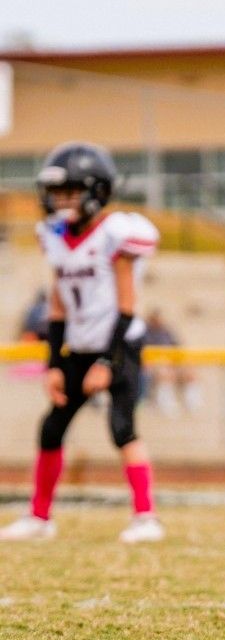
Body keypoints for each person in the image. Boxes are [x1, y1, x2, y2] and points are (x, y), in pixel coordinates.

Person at [0, 142, 164, 544]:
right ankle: (40, 517)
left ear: (97, 191)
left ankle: (146, 518)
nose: (61, 201)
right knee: (51, 428)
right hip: (78, 346)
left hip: (119, 343)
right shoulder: (53, 236)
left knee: (122, 428)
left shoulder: (116, 234)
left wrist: (108, 363)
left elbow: (126, 306)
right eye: (57, 192)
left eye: (70, 192)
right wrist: (54, 362)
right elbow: (57, 304)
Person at [142, 309, 202, 416]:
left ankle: (193, 403)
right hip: (154, 364)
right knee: (164, 373)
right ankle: (166, 403)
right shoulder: (145, 333)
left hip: (170, 362)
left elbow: (178, 348)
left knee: (189, 371)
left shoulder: (167, 332)